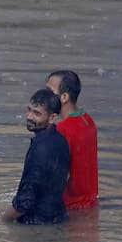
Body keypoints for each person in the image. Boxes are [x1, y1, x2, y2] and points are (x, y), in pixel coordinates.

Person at [2, 88, 71, 226]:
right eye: (29, 110)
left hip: (35, 225)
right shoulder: (61, 140)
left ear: (52, 118)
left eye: (37, 113)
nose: (29, 116)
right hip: (59, 218)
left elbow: (24, 203)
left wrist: (2, 221)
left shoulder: (40, 149)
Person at [46, 69, 98, 211]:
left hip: (69, 207)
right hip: (90, 203)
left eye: (49, 92)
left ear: (64, 97)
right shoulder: (87, 120)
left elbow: (55, 176)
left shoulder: (62, 129)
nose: (45, 97)